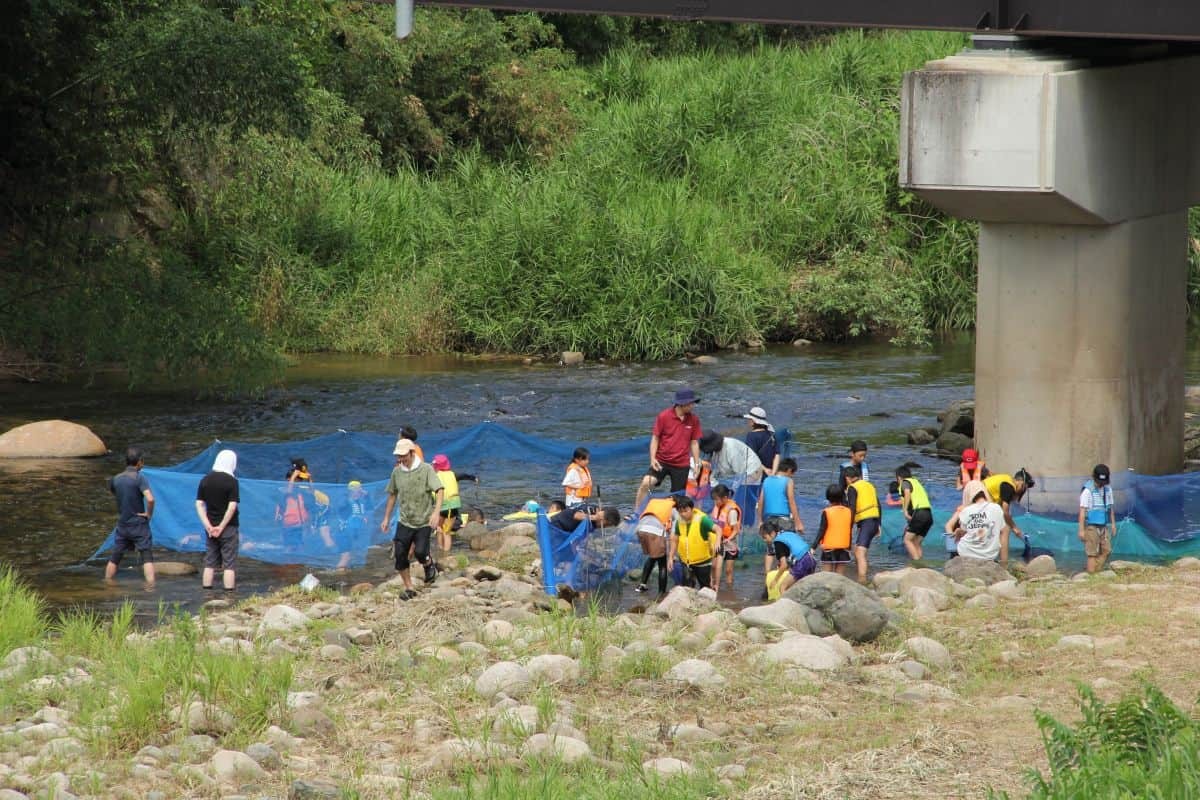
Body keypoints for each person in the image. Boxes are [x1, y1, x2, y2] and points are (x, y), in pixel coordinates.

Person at [379, 438, 443, 599]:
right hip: (405, 520)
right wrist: (386, 518)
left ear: (412, 453)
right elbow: (392, 495)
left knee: (421, 552)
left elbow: (440, 490)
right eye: (398, 456)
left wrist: (436, 513)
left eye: (403, 456)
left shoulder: (426, 469)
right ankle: (409, 588)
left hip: (424, 520)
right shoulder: (397, 472)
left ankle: (429, 564)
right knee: (400, 555)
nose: (400, 459)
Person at [634, 388, 702, 511]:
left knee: (677, 497)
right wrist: (652, 458)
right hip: (662, 461)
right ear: (682, 404)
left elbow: (694, 443)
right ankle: (637, 512)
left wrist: (697, 463)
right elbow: (655, 438)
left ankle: (671, 520)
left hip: (681, 464)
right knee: (646, 483)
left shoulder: (694, 420)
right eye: (691, 403)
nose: (693, 405)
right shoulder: (664, 416)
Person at [105, 446, 156, 586]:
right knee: (147, 556)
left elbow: (117, 495)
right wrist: (148, 514)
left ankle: (107, 584)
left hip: (123, 524)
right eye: (142, 461)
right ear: (139, 462)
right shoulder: (139, 478)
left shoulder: (116, 479)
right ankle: (151, 588)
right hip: (138, 523)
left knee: (115, 556)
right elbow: (150, 499)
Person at [196, 449, 239, 591]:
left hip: (210, 528)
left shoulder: (205, 480)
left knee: (209, 562)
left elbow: (199, 504)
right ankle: (229, 595)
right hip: (229, 528)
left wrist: (208, 525)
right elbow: (232, 506)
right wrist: (221, 526)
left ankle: (207, 593)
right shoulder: (232, 481)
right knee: (229, 564)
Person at [756, 457, 803, 572]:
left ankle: (767, 575)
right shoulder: (788, 481)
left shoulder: (767, 480)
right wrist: (798, 522)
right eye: (792, 473)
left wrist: (760, 521)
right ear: (789, 470)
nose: (792, 476)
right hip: (784, 520)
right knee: (786, 548)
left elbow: (761, 501)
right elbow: (792, 502)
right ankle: (784, 574)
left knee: (770, 550)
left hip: (769, 519)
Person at [946, 480, 1008, 562]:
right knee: (1005, 530)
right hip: (990, 555)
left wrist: (958, 532)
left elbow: (962, 531)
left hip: (966, 553)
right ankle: (1004, 562)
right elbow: (1004, 532)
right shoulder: (996, 508)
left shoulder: (966, 510)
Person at [983, 468, 1035, 564]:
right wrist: (1015, 528)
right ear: (1020, 481)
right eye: (1024, 487)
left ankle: (991, 558)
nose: (1022, 491)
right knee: (1005, 529)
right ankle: (1004, 564)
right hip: (979, 502)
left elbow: (1001, 511)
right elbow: (1005, 511)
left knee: (998, 527)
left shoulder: (1006, 481)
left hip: (978, 499)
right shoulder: (1009, 486)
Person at [431, 454, 477, 562]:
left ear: (436, 466)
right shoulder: (453, 474)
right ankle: (445, 554)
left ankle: (441, 551)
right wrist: (474, 478)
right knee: (447, 531)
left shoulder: (434, 476)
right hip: (452, 507)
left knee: (439, 528)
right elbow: (464, 475)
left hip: (441, 506)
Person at [668, 495, 718, 589]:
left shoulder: (702, 520)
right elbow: (675, 540)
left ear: (692, 509)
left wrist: (718, 542)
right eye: (680, 511)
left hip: (702, 562)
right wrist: (670, 557)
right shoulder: (679, 522)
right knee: (688, 587)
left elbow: (718, 529)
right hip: (686, 562)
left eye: (685, 511)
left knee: (705, 587)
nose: (683, 514)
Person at [760, 519, 817, 599]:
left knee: (782, 587)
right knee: (801, 587)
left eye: (765, 537)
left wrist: (775, 580)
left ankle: (789, 609)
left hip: (802, 562)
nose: (764, 540)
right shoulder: (787, 533)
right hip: (811, 559)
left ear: (772, 533)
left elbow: (784, 565)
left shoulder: (777, 542)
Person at [844, 464, 879, 584]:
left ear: (848, 478)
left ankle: (862, 580)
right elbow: (878, 505)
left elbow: (852, 507)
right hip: (874, 520)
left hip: (866, 521)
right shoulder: (870, 485)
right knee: (861, 551)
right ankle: (863, 573)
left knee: (859, 551)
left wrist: (848, 526)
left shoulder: (852, 487)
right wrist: (879, 524)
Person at [635, 495, 677, 595]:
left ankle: (642, 585)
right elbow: (673, 535)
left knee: (653, 557)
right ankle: (661, 593)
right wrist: (671, 555)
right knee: (662, 563)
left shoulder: (655, 502)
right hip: (655, 532)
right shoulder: (673, 508)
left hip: (640, 529)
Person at [1079, 464, 1117, 574]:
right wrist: (1081, 530)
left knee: (1107, 550)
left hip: (1103, 525)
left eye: (1103, 483)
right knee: (1092, 553)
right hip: (1091, 526)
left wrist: (1113, 524)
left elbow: (1110, 508)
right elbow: (1082, 511)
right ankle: (1091, 574)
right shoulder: (1087, 491)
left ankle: (1094, 570)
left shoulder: (1108, 490)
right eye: (1099, 482)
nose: (1101, 485)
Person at [896, 466, 934, 562]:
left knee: (907, 540)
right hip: (928, 515)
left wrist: (904, 511)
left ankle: (917, 564)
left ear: (899, 477)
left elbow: (907, 493)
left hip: (919, 513)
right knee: (916, 542)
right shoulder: (916, 482)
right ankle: (921, 564)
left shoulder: (905, 482)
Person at [698, 431, 763, 487]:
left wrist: (733, 489)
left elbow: (740, 474)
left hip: (752, 470)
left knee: (740, 492)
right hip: (734, 470)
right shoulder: (716, 450)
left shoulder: (731, 449)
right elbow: (715, 467)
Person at [814, 483, 852, 575]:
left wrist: (813, 546)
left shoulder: (826, 512)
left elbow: (822, 530)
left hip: (829, 548)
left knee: (826, 576)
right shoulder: (849, 511)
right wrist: (850, 545)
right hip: (844, 547)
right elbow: (849, 530)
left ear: (828, 498)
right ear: (842, 496)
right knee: (839, 577)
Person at [276, 459, 313, 553]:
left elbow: (312, 492)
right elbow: (289, 491)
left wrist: (309, 480)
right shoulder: (283, 490)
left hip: (300, 525)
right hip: (289, 525)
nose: (299, 481)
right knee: (289, 547)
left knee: (300, 547)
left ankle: (298, 564)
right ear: (289, 479)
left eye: (300, 480)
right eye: (297, 479)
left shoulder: (301, 492)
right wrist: (293, 477)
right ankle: (285, 563)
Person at [710, 484, 742, 590]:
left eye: (717, 500)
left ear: (725, 498)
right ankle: (712, 585)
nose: (715, 502)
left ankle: (729, 589)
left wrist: (728, 539)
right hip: (717, 539)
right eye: (714, 500)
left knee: (728, 570)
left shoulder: (732, 511)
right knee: (714, 566)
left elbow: (736, 530)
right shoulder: (716, 507)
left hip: (729, 542)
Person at [334, 480, 371, 570]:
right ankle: (338, 577)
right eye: (358, 490)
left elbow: (370, 507)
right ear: (352, 491)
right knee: (345, 557)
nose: (360, 492)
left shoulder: (359, 502)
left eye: (360, 490)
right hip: (343, 534)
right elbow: (341, 511)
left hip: (351, 534)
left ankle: (343, 575)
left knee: (349, 557)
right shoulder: (346, 501)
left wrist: (367, 496)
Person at [743, 406, 780, 476]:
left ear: (753, 421)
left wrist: (765, 470)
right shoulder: (772, 434)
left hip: (757, 475)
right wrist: (773, 472)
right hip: (771, 474)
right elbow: (777, 455)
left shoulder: (751, 436)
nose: (748, 421)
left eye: (749, 419)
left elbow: (752, 457)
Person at [545, 500, 621, 533]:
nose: (603, 527)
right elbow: (575, 515)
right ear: (603, 518)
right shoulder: (590, 511)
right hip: (556, 525)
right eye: (605, 525)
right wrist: (594, 517)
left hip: (566, 529)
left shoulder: (594, 516)